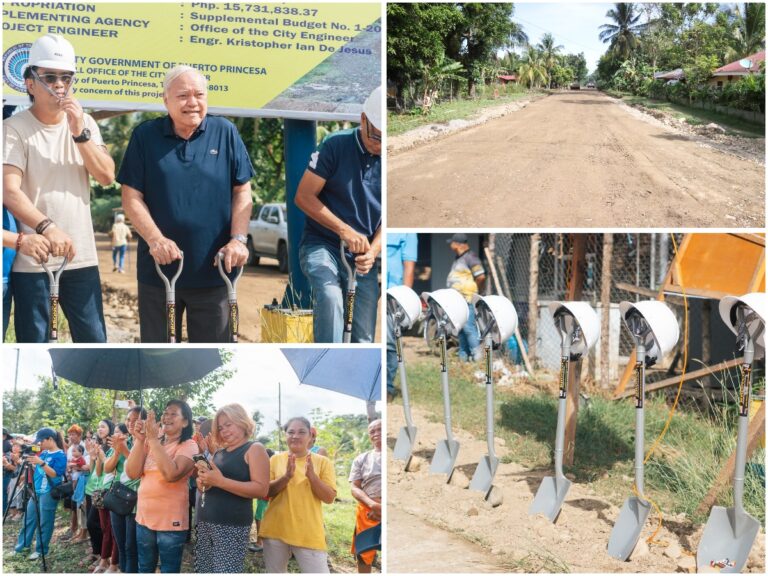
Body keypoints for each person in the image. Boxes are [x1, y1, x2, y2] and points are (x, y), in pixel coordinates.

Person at [118, 65, 254, 343]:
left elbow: (242, 191)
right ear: (165, 100)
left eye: (199, 95)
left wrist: (238, 240)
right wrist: (156, 240)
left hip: (216, 273)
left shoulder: (225, 131)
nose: (192, 103)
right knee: (159, 354)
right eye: (182, 96)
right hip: (160, 272)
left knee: (216, 354)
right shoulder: (145, 136)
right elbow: (131, 197)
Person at [3, 34, 115, 342]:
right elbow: (9, 190)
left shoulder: (86, 123)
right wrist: (47, 227)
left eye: (66, 78)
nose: (60, 85)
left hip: (81, 258)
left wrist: (79, 131)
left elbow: (106, 175)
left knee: (94, 342)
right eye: (50, 77)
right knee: (34, 345)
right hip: (34, 261)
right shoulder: (13, 129)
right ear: (30, 83)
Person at [295, 86, 382, 343]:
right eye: (375, 137)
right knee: (330, 295)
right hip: (323, 244)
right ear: (363, 119)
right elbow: (303, 196)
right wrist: (343, 230)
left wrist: (373, 252)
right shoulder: (335, 145)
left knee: (364, 337)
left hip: (362, 253)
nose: (380, 145)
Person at [194, 403, 270, 573]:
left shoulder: (254, 449)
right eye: (220, 428)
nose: (224, 431)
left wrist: (220, 481)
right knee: (205, 570)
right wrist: (203, 483)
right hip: (206, 522)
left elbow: (261, 489)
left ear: (242, 421)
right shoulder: (220, 453)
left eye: (229, 425)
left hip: (231, 526)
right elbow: (212, 485)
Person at [125, 400, 198, 573]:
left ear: (185, 421)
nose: (167, 417)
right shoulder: (151, 441)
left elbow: (171, 474)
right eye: (165, 413)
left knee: (169, 569)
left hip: (170, 523)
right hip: (143, 518)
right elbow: (132, 473)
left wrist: (152, 440)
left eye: (174, 414)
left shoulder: (189, 446)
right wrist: (140, 439)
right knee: (145, 567)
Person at [260, 416, 337, 573]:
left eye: (301, 432)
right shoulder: (275, 460)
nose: (295, 436)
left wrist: (313, 477)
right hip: (276, 529)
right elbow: (266, 492)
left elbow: (329, 498)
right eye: (291, 432)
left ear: (310, 436)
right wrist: (286, 477)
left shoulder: (323, 462)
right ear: (285, 436)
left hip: (308, 532)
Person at [11, 427, 67, 560]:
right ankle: (21, 547)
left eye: (41, 441)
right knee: (28, 519)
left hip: (49, 492)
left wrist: (41, 463)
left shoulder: (60, 455)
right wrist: (28, 462)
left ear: (50, 439)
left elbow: (55, 474)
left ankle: (41, 550)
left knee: (45, 522)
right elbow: (39, 470)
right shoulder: (44, 453)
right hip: (37, 491)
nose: (39, 444)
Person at [104, 406, 145, 574]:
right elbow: (107, 468)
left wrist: (125, 451)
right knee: (121, 544)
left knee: (131, 546)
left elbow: (142, 470)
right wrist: (116, 452)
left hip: (137, 502)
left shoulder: (147, 443)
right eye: (128, 419)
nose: (130, 423)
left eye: (135, 420)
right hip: (119, 498)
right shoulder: (124, 441)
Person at [386, 233, 418, 400]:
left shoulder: (408, 233)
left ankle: (387, 388)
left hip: (393, 296)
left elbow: (409, 266)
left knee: (390, 342)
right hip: (371, 286)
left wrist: (405, 299)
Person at [446, 233, 486, 361]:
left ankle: (477, 358)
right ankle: (463, 359)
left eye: (451, 242)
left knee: (468, 328)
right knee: (461, 330)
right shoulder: (458, 258)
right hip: (459, 301)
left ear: (458, 244)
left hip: (467, 299)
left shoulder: (471, 257)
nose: (450, 245)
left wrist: (474, 290)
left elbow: (481, 276)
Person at [349, 419, 382, 573]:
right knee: (363, 554)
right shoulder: (362, 459)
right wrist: (373, 505)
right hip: (368, 512)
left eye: (380, 429)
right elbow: (354, 487)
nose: (376, 434)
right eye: (372, 431)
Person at [89, 419, 119, 573]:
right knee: (104, 527)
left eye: (103, 426)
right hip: (101, 490)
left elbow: (114, 470)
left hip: (113, 491)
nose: (99, 429)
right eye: (98, 426)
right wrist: (96, 457)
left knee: (109, 528)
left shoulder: (115, 447)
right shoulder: (103, 448)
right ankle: (105, 560)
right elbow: (100, 471)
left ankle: (109, 562)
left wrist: (102, 456)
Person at [63, 424, 89, 542]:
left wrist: (77, 467)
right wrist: (69, 469)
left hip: (82, 479)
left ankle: (84, 532)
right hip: (72, 479)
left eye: (73, 434)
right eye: (69, 434)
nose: (71, 437)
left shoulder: (84, 447)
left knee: (82, 505)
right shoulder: (70, 448)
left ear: (79, 435)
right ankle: (78, 530)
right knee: (75, 506)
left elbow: (86, 465)